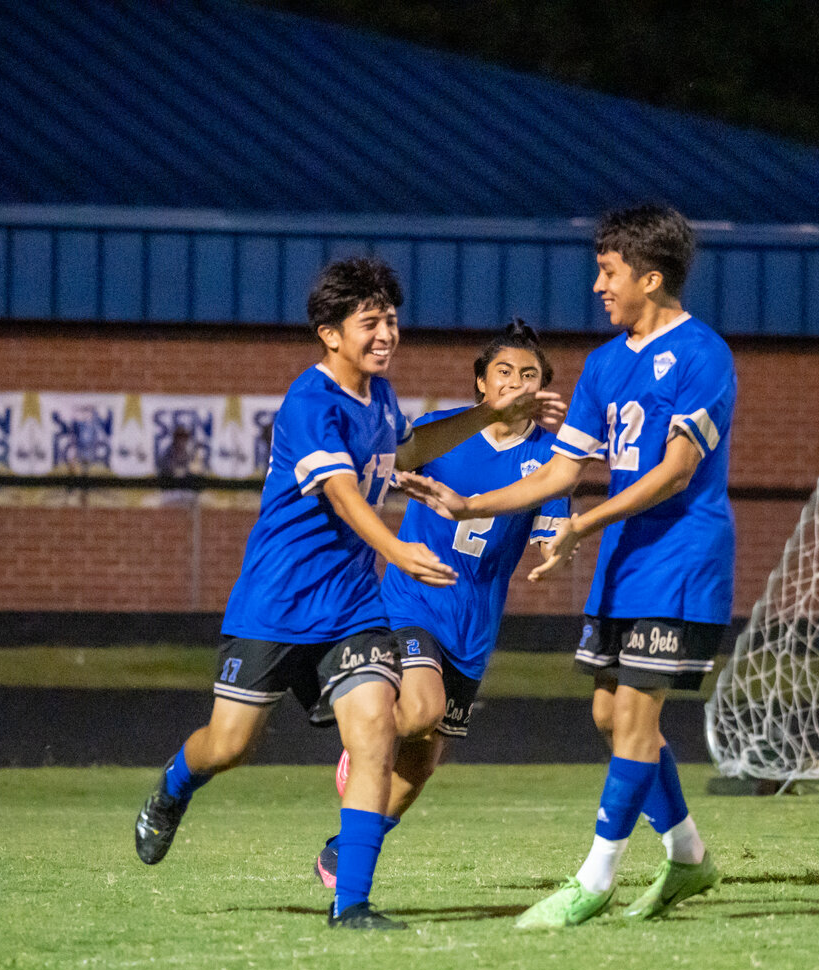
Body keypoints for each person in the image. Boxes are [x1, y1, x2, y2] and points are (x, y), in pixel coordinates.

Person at [131, 257, 564, 931]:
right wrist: (396, 550)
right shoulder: (311, 402)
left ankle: (351, 904)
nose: (386, 332)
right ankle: (173, 788)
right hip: (277, 602)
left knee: (375, 738)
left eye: (391, 318)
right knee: (230, 744)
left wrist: (488, 411)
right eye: (370, 322)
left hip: (354, 608)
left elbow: (413, 450)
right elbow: (339, 493)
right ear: (330, 334)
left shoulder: (382, 399)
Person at [400, 204, 735, 928]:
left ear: (651, 277)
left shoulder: (704, 353)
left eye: (609, 272)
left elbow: (677, 471)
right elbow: (558, 471)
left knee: (637, 719)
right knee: (610, 716)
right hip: (625, 560)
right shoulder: (607, 363)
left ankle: (596, 878)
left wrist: (584, 522)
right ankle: (688, 856)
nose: (597, 285)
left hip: (680, 560)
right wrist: (469, 505)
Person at [313, 319, 572, 890]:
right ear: (481, 383)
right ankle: (365, 738)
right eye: (503, 372)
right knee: (422, 709)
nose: (515, 382)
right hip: (414, 601)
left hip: (474, 626)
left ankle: (342, 848)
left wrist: (558, 547)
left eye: (529, 375)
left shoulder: (553, 460)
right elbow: (371, 472)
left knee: (420, 768)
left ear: (544, 389)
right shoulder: (440, 435)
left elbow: (551, 530)